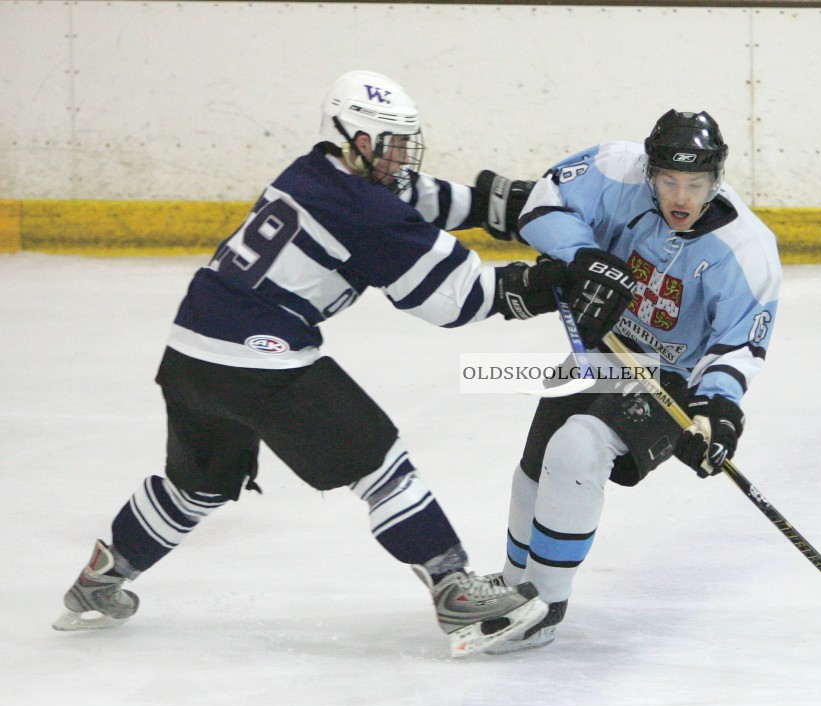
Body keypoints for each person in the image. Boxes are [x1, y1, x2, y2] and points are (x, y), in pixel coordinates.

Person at [52, 70, 633, 658]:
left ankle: (103, 577)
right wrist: (552, 280)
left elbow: (430, 199)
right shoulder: (361, 207)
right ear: (357, 140)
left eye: (407, 142)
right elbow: (455, 299)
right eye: (392, 144)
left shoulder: (318, 170)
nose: (403, 156)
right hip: (262, 360)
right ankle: (453, 589)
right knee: (383, 467)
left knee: (193, 487)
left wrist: (521, 204)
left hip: (191, 353)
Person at [486, 110, 782, 653]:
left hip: (668, 380)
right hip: (603, 349)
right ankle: (511, 588)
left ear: (716, 179)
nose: (681, 196)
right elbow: (542, 202)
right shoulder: (615, 169)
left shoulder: (748, 249)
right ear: (651, 172)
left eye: (695, 184)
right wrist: (587, 260)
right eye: (669, 180)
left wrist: (716, 411)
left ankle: (543, 607)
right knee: (537, 462)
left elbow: (741, 343)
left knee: (577, 449)